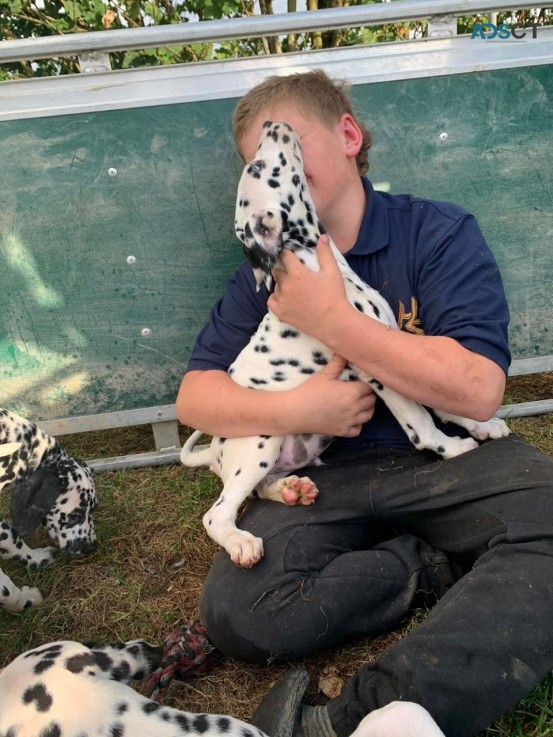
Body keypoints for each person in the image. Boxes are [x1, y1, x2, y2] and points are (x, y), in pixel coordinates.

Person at [176, 70, 553, 737]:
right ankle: (425, 564)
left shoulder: (435, 233)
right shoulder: (265, 270)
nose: (275, 171)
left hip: (443, 457)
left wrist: (333, 319)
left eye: (287, 146)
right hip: (319, 482)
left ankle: (361, 717)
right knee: (237, 611)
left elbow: (479, 390)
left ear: (347, 135)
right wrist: (301, 411)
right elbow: (195, 397)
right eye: (259, 163)